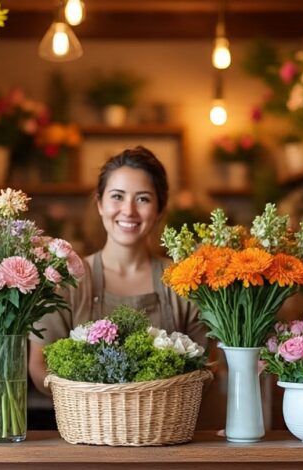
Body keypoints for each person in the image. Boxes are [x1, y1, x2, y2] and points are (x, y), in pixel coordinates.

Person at [28, 146, 207, 394]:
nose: (129, 211)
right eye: (117, 196)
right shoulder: (67, 280)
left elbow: (205, 367)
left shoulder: (183, 282)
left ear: (159, 209)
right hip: (83, 417)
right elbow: (39, 364)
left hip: (167, 418)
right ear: (100, 203)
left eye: (143, 199)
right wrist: (91, 399)